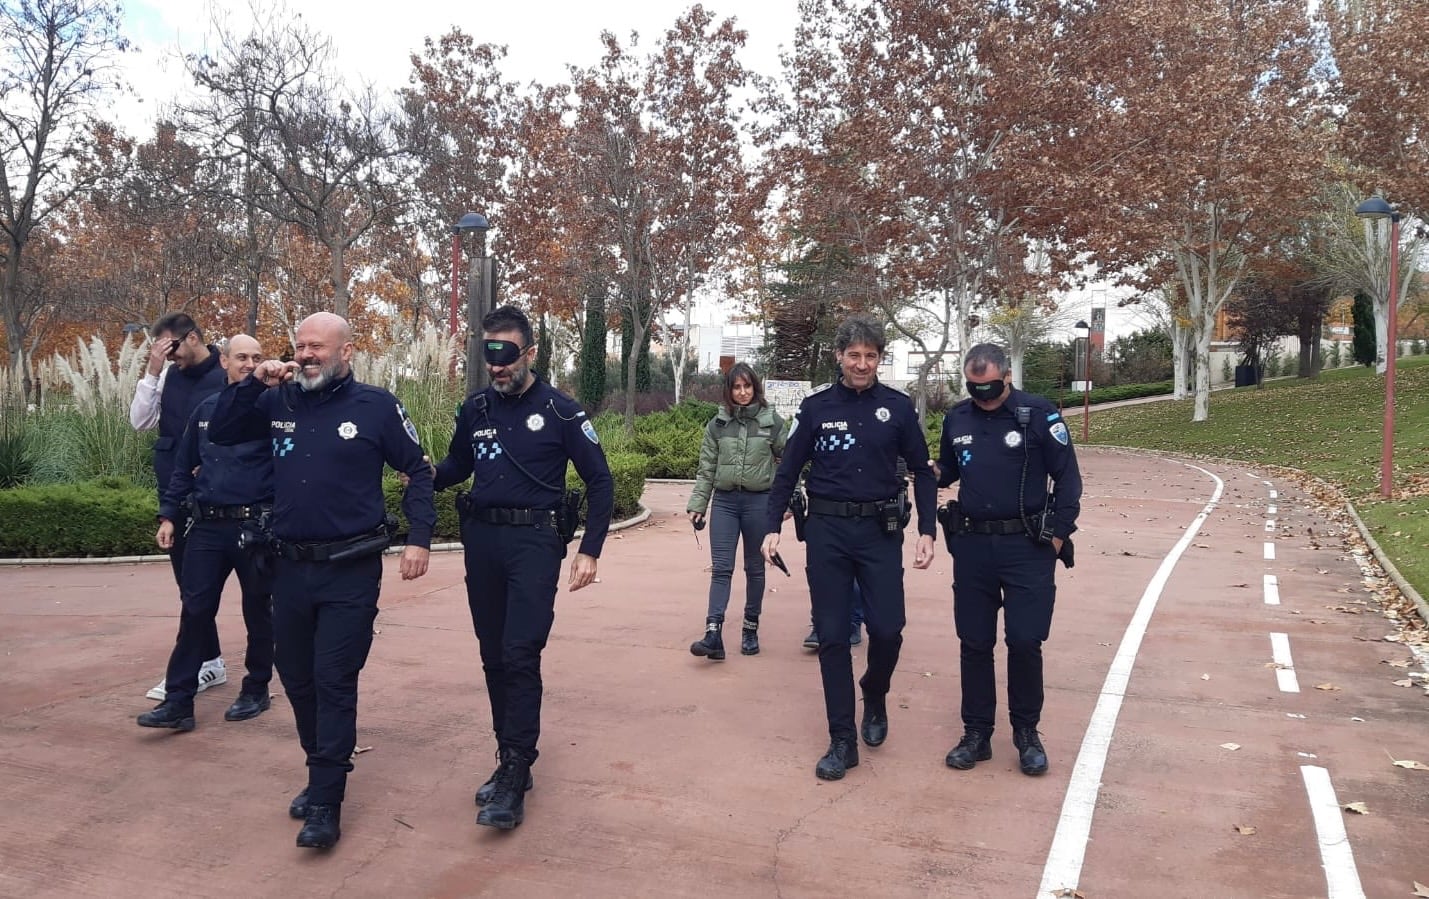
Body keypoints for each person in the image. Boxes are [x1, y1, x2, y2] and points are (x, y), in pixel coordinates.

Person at [207, 312, 435, 850]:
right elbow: (222, 430)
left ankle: (326, 799)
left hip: (350, 569)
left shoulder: (376, 407)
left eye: (318, 347)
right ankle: (320, 770)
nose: (306, 355)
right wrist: (249, 385)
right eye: (300, 346)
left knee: (334, 680)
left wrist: (420, 537)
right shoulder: (277, 399)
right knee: (297, 678)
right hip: (288, 568)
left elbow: (418, 470)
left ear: (347, 352)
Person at [432, 305, 613, 831]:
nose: (497, 367)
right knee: (492, 655)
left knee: (519, 652)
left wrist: (590, 549)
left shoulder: (561, 410)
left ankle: (515, 769)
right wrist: (422, 473)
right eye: (489, 356)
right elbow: (458, 465)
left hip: (534, 543)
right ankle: (508, 754)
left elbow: (599, 481)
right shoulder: (476, 409)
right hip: (482, 541)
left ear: (529, 353)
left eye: (506, 355)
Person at [761, 315, 937, 781]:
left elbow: (923, 470)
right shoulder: (816, 408)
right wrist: (770, 525)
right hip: (827, 533)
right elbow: (788, 469)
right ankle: (841, 740)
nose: (862, 363)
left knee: (888, 629)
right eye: (854, 355)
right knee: (833, 636)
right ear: (839, 356)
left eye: (871, 356)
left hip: (880, 533)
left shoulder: (897, 409)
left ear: (880, 359)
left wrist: (928, 530)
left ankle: (874, 694)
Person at [937, 343, 1082, 777]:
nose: (982, 394)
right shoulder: (956, 418)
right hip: (974, 546)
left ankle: (1026, 733)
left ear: (1008, 377)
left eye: (990, 386)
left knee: (1023, 640)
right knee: (975, 642)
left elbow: (1069, 480)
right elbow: (947, 471)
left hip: (1027, 547)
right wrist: (917, 467)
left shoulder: (1039, 415)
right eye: (974, 387)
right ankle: (976, 733)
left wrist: (1057, 536)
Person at [137, 334, 275, 732]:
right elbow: (183, 468)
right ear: (224, 362)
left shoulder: (273, 409)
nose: (250, 364)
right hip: (208, 528)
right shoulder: (205, 411)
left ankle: (256, 688)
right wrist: (168, 516)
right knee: (195, 611)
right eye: (242, 357)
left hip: (255, 528)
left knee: (258, 611)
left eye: (257, 357)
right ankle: (179, 702)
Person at [130, 313, 229, 700]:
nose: (169, 357)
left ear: (191, 338)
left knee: (251, 589)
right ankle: (209, 662)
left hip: (222, 496)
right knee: (190, 586)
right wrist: (153, 370)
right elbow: (140, 422)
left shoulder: (226, 369)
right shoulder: (166, 375)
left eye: (170, 348)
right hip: (175, 491)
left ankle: (259, 672)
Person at [686, 362, 787, 660]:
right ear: (729, 391)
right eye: (736, 387)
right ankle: (713, 633)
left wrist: (788, 500)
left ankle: (750, 627)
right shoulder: (717, 425)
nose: (742, 392)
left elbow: (789, 464)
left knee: (754, 569)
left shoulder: (772, 422)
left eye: (747, 386)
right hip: (725, 503)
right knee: (721, 568)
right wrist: (698, 505)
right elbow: (706, 469)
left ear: (755, 387)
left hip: (760, 503)